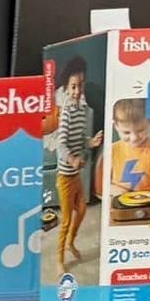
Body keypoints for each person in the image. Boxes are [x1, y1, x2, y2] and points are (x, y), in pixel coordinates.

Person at [54, 56, 101, 273]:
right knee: (65, 221)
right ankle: (59, 257)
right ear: (67, 87)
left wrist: (90, 142)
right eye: (73, 86)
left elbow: (80, 137)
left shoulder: (81, 111)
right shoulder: (66, 113)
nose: (77, 90)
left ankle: (72, 243)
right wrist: (72, 158)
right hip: (65, 177)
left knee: (81, 211)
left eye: (80, 85)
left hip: (76, 177)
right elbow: (61, 143)